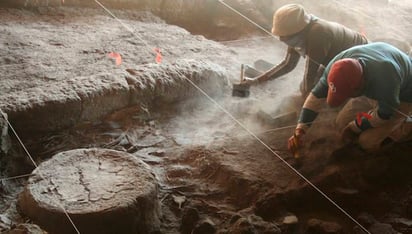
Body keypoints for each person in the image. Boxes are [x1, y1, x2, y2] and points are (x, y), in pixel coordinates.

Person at [288, 42, 412, 154]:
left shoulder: (386, 78)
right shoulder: (337, 67)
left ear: (358, 87)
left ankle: (406, 125)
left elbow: (385, 114)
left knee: (367, 141)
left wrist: (355, 128)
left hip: (404, 96)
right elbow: (316, 97)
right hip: (374, 87)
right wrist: (300, 130)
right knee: (341, 123)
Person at [242, 4, 369, 97]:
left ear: (298, 30)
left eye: (285, 35)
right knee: (309, 87)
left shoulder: (318, 34)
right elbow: (288, 64)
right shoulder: (298, 32)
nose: (281, 39)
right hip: (335, 58)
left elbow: (311, 71)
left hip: (361, 59)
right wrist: (257, 81)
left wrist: (306, 99)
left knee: (320, 89)